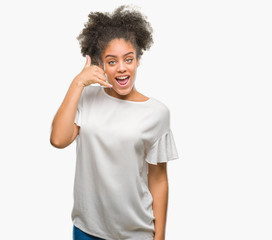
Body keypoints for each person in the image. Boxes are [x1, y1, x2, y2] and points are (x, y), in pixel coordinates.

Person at [50, 5, 179, 240]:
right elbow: (58, 140)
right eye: (112, 61)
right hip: (87, 229)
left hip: (135, 233)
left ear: (138, 60)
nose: (121, 68)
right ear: (100, 64)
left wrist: (159, 237)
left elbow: (158, 179)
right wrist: (78, 83)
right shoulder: (86, 98)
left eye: (128, 59)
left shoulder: (157, 113)